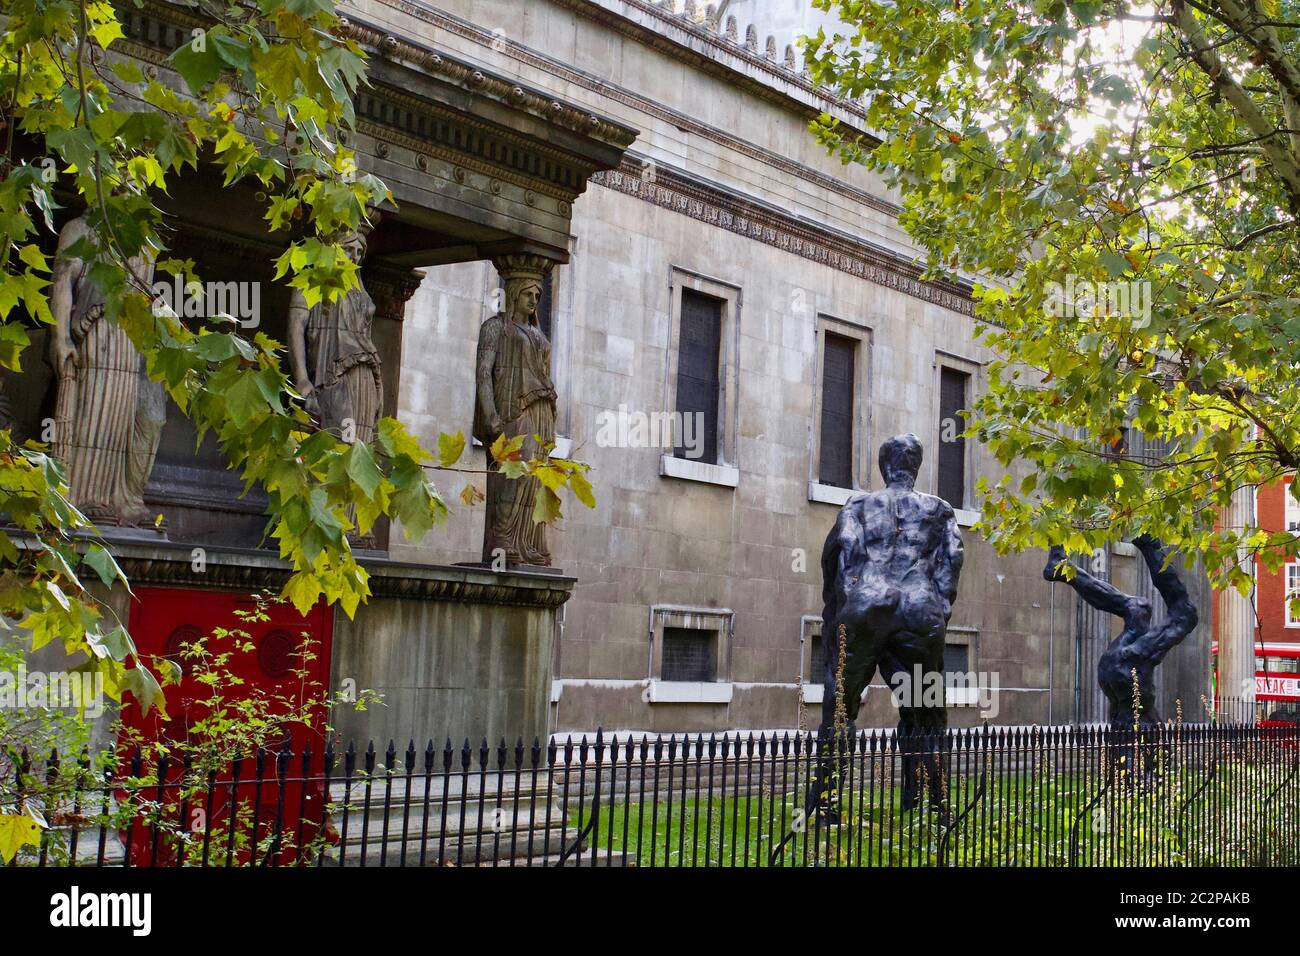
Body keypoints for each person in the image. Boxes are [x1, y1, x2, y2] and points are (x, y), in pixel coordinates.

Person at [812, 433, 964, 814]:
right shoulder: (940, 509)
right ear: (917, 467)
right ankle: (931, 804)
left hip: (867, 604)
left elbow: (835, 556)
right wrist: (938, 607)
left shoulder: (859, 505)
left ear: (885, 467)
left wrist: (841, 609)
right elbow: (953, 560)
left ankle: (826, 804)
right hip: (919, 609)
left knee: (840, 707)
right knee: (925, 709)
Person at [472, 261, 558, 567]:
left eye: (537, 294)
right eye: (527, 294)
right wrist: (490, 414)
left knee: (536, 478)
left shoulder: (536, 333)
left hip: (540, 412)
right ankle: (503, 538)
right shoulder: (495, 327)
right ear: (512, 294)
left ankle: (528, 544)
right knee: (515, 473)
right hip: (513, 410)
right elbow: (483, 373)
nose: (534, 299)